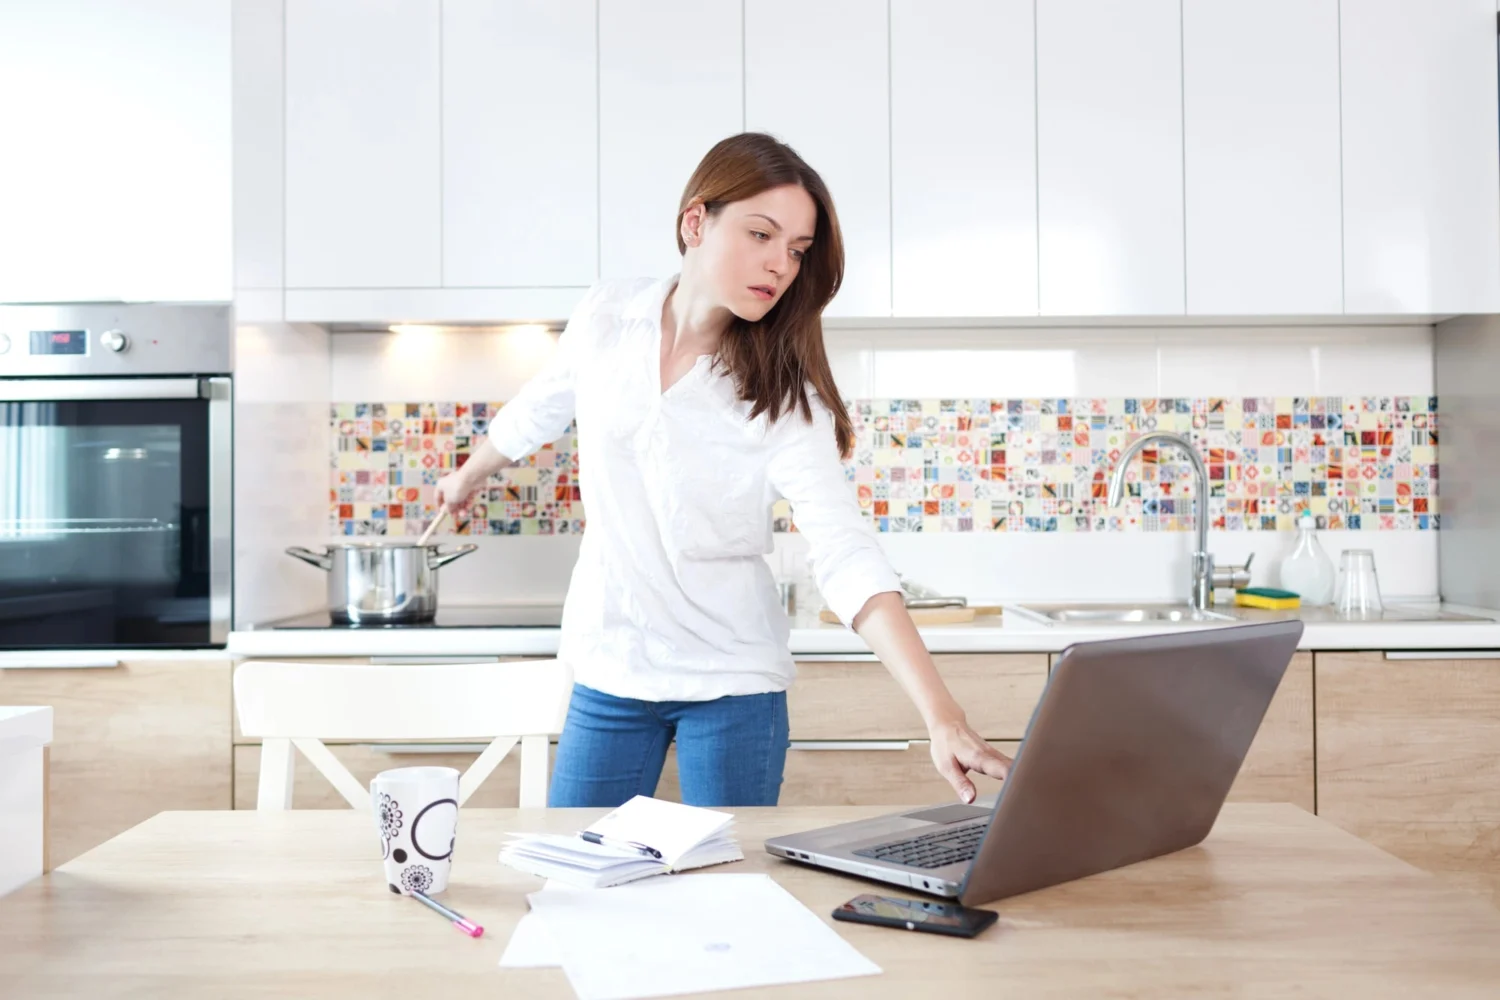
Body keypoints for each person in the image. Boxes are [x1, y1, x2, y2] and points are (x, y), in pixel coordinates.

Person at [435, 132, 1012, 809]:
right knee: (577, 863)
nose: (780, 265)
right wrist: (467, 475)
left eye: (796, 250)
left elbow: (845, 552)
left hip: (732, 685)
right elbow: (541, 406)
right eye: (761, 234)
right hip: (609, 667)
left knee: (729, 872)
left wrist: (942, 714)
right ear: (694, 223)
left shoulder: (784, 398)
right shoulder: (607, 316)